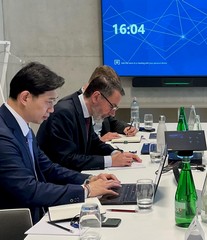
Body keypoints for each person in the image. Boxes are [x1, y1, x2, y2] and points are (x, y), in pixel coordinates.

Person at [0, 62, 120, 223]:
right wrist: (86, 190)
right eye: (48, 101)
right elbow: (28, 190)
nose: (51, 109)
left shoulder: (23, 128)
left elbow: (48, 168)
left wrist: (89, 179)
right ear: (25, 97)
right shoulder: (3, 136)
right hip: (19, 224)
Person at [36, 67, 142, 171]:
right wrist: (111, 161)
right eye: (112, 106)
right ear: (96, 97)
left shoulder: (85, 109)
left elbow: (94, 143)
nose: (112, 113)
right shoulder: (64, 113)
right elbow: (67, 160)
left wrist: (116, 153)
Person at [85, 66, 138, 142]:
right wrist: (99, 141)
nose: (113, 113)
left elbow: (112, 122)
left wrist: (125, 128)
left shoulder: (103, 102)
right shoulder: (75, 106)